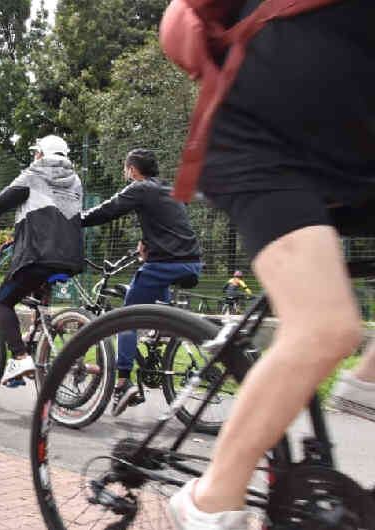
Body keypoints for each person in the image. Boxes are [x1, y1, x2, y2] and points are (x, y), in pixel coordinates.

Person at [158, 2, 375, 528]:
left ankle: (365, 388)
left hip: (351, 156)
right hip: (257, 145)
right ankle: (208, 500)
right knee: (325, 326)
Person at [81, 148, 203, 415]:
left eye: (126, 170)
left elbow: (107, 210)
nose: (126, 174)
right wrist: (147, 242)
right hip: (191, 262)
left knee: (128, 316)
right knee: (154, 305)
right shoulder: (168, 189)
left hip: (165, 263)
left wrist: (74, 222)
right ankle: (165, 336)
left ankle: (123, 382)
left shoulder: (139, 188)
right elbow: (170, 222)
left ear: (132, 170)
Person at [0, 135, 84, 385]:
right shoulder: (75, 181)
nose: (34, 157)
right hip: (70, 258)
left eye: (35, 152)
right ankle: (35, 353)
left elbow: (1, 201)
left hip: (38, 256)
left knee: (3, 302)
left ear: (41, 153)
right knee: (39, 308)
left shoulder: (34, 173)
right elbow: (53, 218)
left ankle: (20, 357)